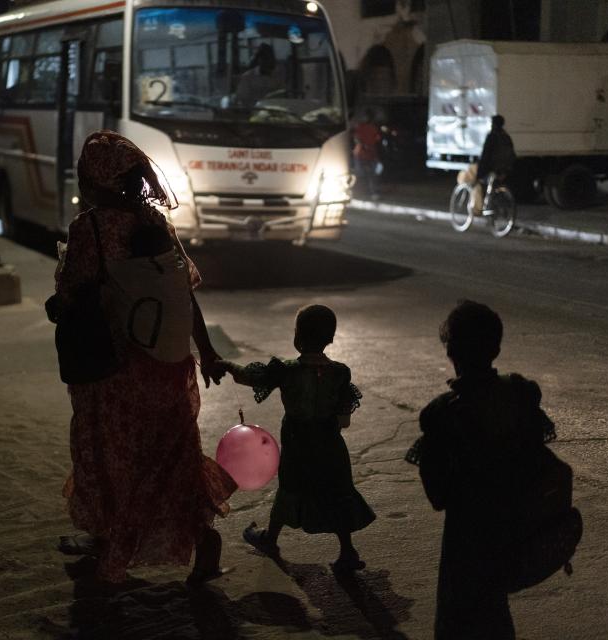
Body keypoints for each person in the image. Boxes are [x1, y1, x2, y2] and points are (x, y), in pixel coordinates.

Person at [51, 130, 236, 585]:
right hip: (167, 368)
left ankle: (110, 546)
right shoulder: (156, 223)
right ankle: (203, 544)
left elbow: (72, 296)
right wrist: (207, 352)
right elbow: (184, 294)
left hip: (114, 370)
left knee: (112, 456)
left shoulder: (89, 228)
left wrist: (60, 305)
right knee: (170, 457)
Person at [405, 300, 557, 640]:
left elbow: (438, 495)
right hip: (515, 521)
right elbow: (537, 454)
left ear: (451, 352)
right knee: (494, 606)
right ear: (496, 348)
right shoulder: (522, 393)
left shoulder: (441, 414)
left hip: (468, 531)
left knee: (460, 613)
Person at [220, 305, 376, 572]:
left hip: (298, 443)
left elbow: (249, 376)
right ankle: (347, 551)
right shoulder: (340, 373)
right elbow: (344, 420)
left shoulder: (287, 370)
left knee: (290, 488)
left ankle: (270, 539)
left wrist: (225, 364)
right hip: (330, 446)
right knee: (337, 492)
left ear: (297, 338)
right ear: (331, 338)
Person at [235, 43, 281, 107]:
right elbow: (242, 99)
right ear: (259, 59)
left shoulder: (277, 76)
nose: (268, 62)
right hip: (254, 111)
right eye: (265, 58)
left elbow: (283, 94)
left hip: (275, 111)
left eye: (269, 58)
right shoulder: (248, 77)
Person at [352, 109, 383, 199]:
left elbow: (357, 138)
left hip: (366, 154)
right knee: (369, 174)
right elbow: (376, 140)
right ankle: (370, 192)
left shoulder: (363, 127)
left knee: (364, 174)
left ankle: (368, 192)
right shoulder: (366, 127)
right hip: (365, 153)